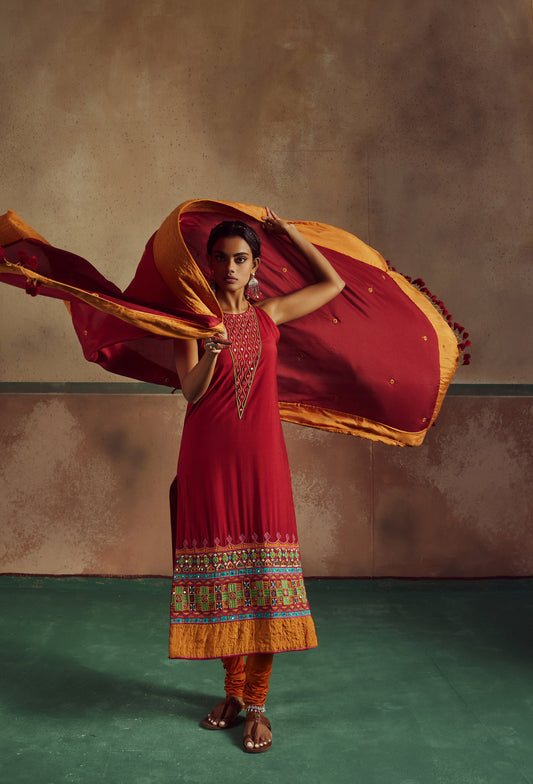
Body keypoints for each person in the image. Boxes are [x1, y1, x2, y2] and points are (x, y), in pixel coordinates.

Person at [171, 206, 345, 753]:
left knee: (264, 578)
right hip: (207, 459)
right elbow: (190, 391)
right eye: (221, 258)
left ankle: (257, 704)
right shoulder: (192, 320)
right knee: (222, 579)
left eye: (240, 259)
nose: (229, 267)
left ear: (254, 267)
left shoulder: (270, 314)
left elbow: (333, 284)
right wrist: (211, 350)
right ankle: (231, 692)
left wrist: (286, 232)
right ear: (208, 263)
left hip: (263, 459)